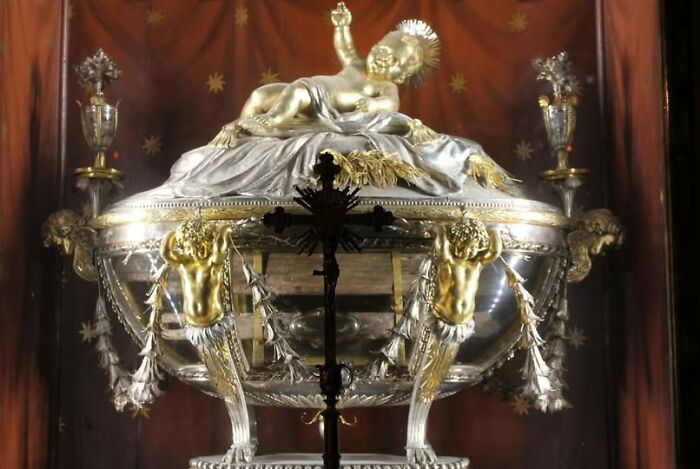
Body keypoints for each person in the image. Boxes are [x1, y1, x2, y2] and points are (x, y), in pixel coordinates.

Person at [228, 2, 440, 136]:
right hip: (310, 92)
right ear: (374, 46)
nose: (383, 59)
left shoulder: (385, 86)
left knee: (296, 91)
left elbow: (391, 104)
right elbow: (346, 49)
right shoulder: (357, 64)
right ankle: (238, 132)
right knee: (261, 95)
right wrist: (342, 27)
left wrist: (373, 105)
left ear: (401, 77)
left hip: (319, 101)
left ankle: (273, 121)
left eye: (394, 60)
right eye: (382, 50)